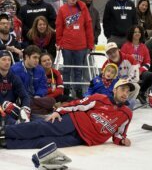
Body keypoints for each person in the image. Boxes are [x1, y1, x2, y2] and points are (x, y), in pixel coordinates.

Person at [0, 78, 135, 149]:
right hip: (73, 122)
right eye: (122, 89)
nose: (125, 93)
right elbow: (76, 104)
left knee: (46, 142)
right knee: (42, 128)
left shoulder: (127, 114)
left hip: (83, 139)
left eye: (128, 91)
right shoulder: (100, 98)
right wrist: (58, 111)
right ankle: (5, 131)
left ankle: (7, 143)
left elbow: (118, 134)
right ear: (115, 90)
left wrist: (122, 140)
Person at [56, 0, 94, 99]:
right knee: (67, 69)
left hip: (81, 45)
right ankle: (66, 91)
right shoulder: (62, 9)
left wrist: (91, 44)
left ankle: (78, 91)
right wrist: (59, 42)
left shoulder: (83, 7)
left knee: (79, 70)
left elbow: (88, 26)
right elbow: (59, 26)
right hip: (67, 45)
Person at [11, 45, 56, 115]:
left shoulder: (40, 69)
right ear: (26, 57)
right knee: (45, 105)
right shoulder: (15, 69)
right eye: (34, 57)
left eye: (38, 58)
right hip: (22, 99)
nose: (37, 60)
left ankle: (30, 111)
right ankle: (41, 110)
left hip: (36, 98)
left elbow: (43, 86)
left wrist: (38, 95)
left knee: (52, 101)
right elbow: (14, 89)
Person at [121, 25, 152, 104]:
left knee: (150, 75)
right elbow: (121, 60)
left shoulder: (144, 47)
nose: (137, 34)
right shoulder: (125, 46)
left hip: (140, 71)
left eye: (139, 32)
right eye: (135, 32)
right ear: (131, 33)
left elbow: (147, 62)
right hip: (128, 72)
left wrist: (140, 70)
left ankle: (141, 93)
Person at [102, 42, 140, 109]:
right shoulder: (106, 65)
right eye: (110, 53)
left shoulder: (129, 58)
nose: (113, 54)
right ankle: (111, 106)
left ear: (118, 50)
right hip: (113, 87)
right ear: (107, 55)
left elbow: (135, 77)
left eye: (114, 51)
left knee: (136, 87)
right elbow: (103, 81)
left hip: (128, 84)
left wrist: (123, 83)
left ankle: (126, 107)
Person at [0, 50, 30, 124]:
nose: (7, 62)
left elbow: (25, 96)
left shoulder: (15, 78)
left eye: (9, 60)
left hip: (12, 110)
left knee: (27, 116)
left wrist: (25, 109)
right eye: (3, 59)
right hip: (1, 109)